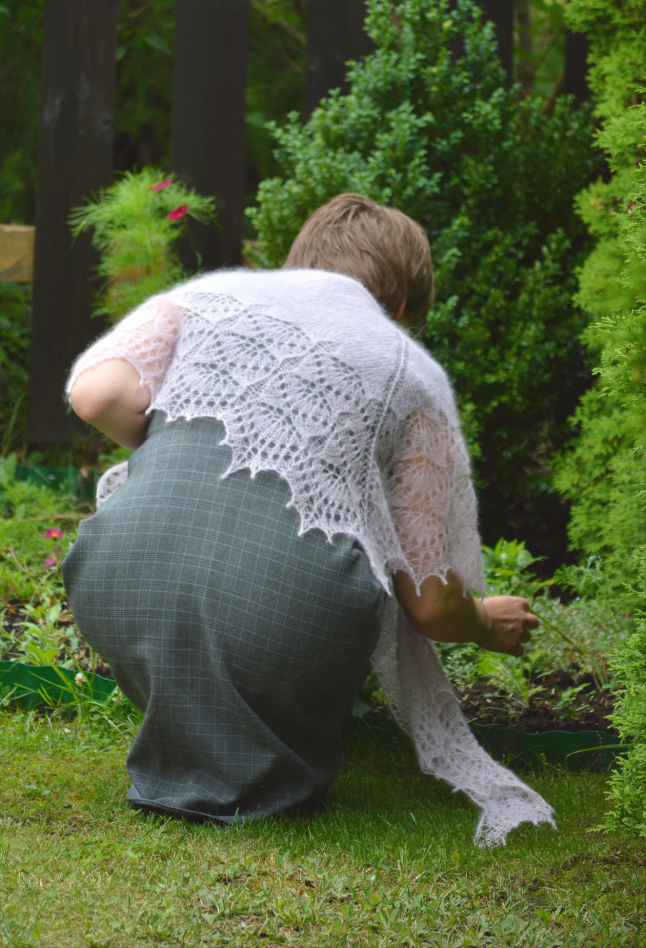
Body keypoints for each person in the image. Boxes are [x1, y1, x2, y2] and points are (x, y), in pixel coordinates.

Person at [62, 193, 553, 845]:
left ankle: (196, 736)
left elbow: (93, 395)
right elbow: (431, 604)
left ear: (298, 265)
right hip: (282, 625)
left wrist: (182, 451)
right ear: (402, 304)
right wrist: (485, 622)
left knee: (206, 553)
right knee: (353, 548)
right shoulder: (409, 369)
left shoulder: (207, 298)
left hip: (114, 586)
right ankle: (261, 751)